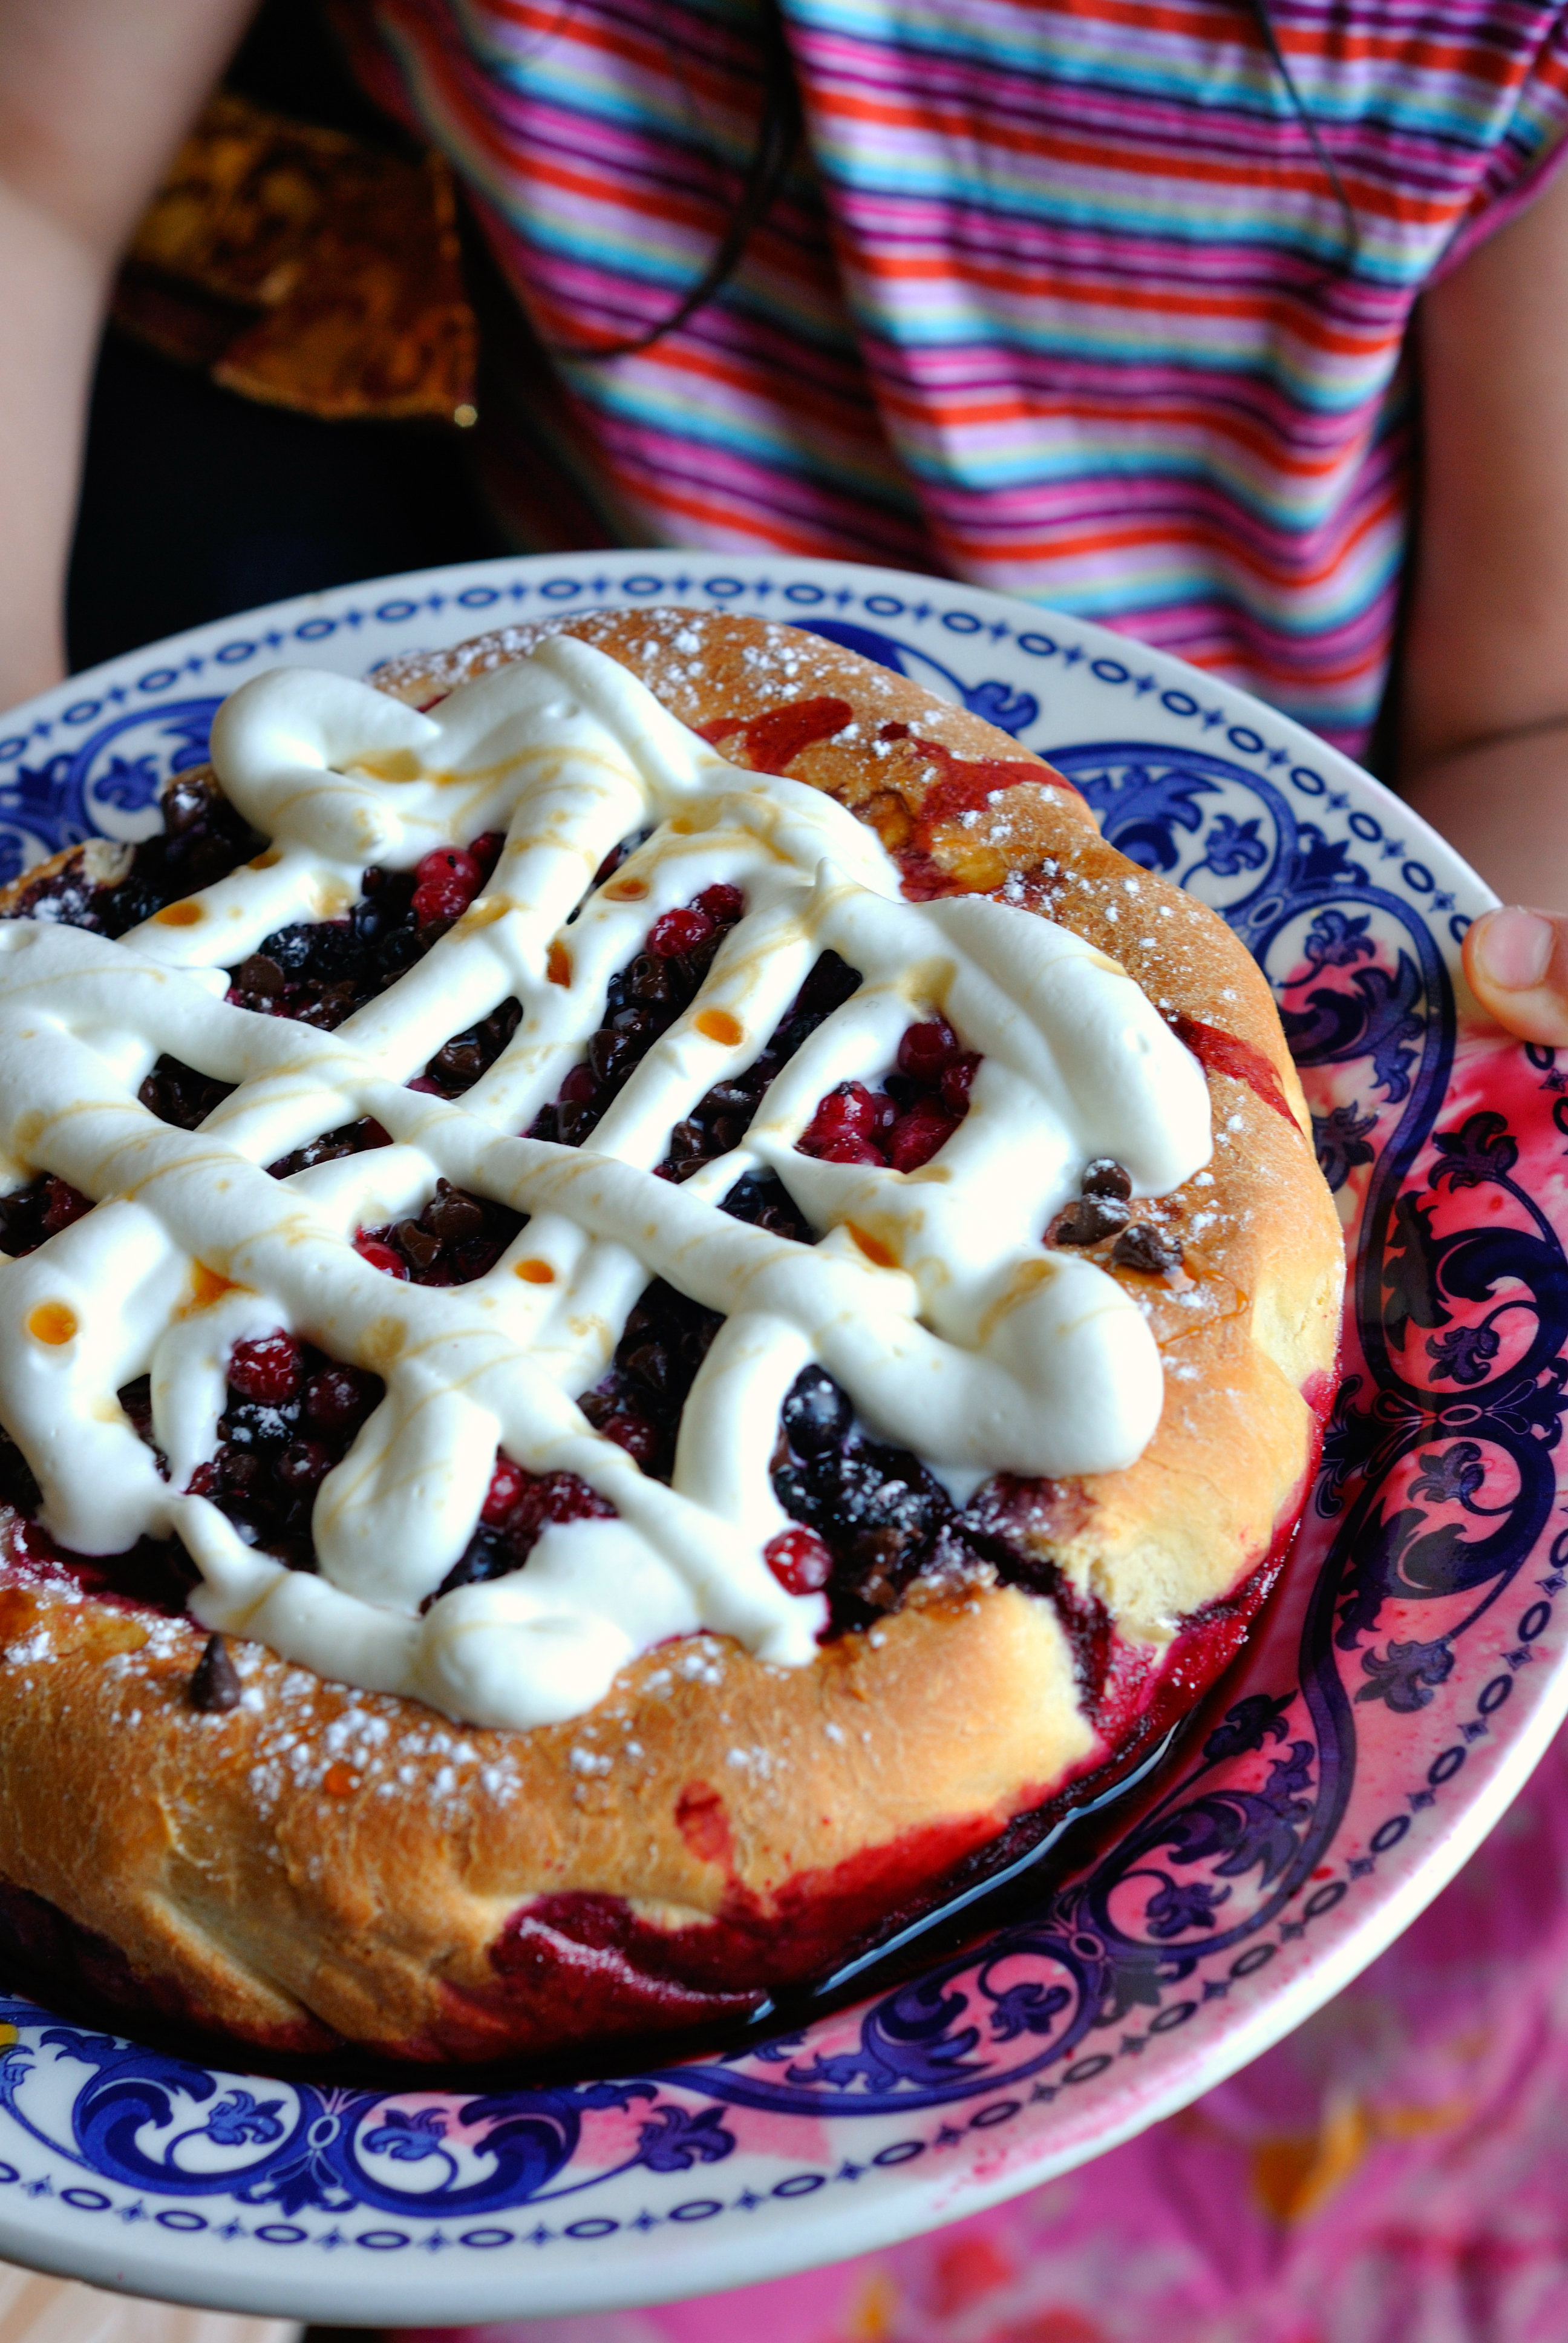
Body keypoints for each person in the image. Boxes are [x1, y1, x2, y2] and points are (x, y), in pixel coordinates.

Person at [6, 4, 1568, 2335]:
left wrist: (1486, 962)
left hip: (1186, 1099)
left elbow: (1533, 712)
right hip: (543, 820)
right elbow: (26, 173)